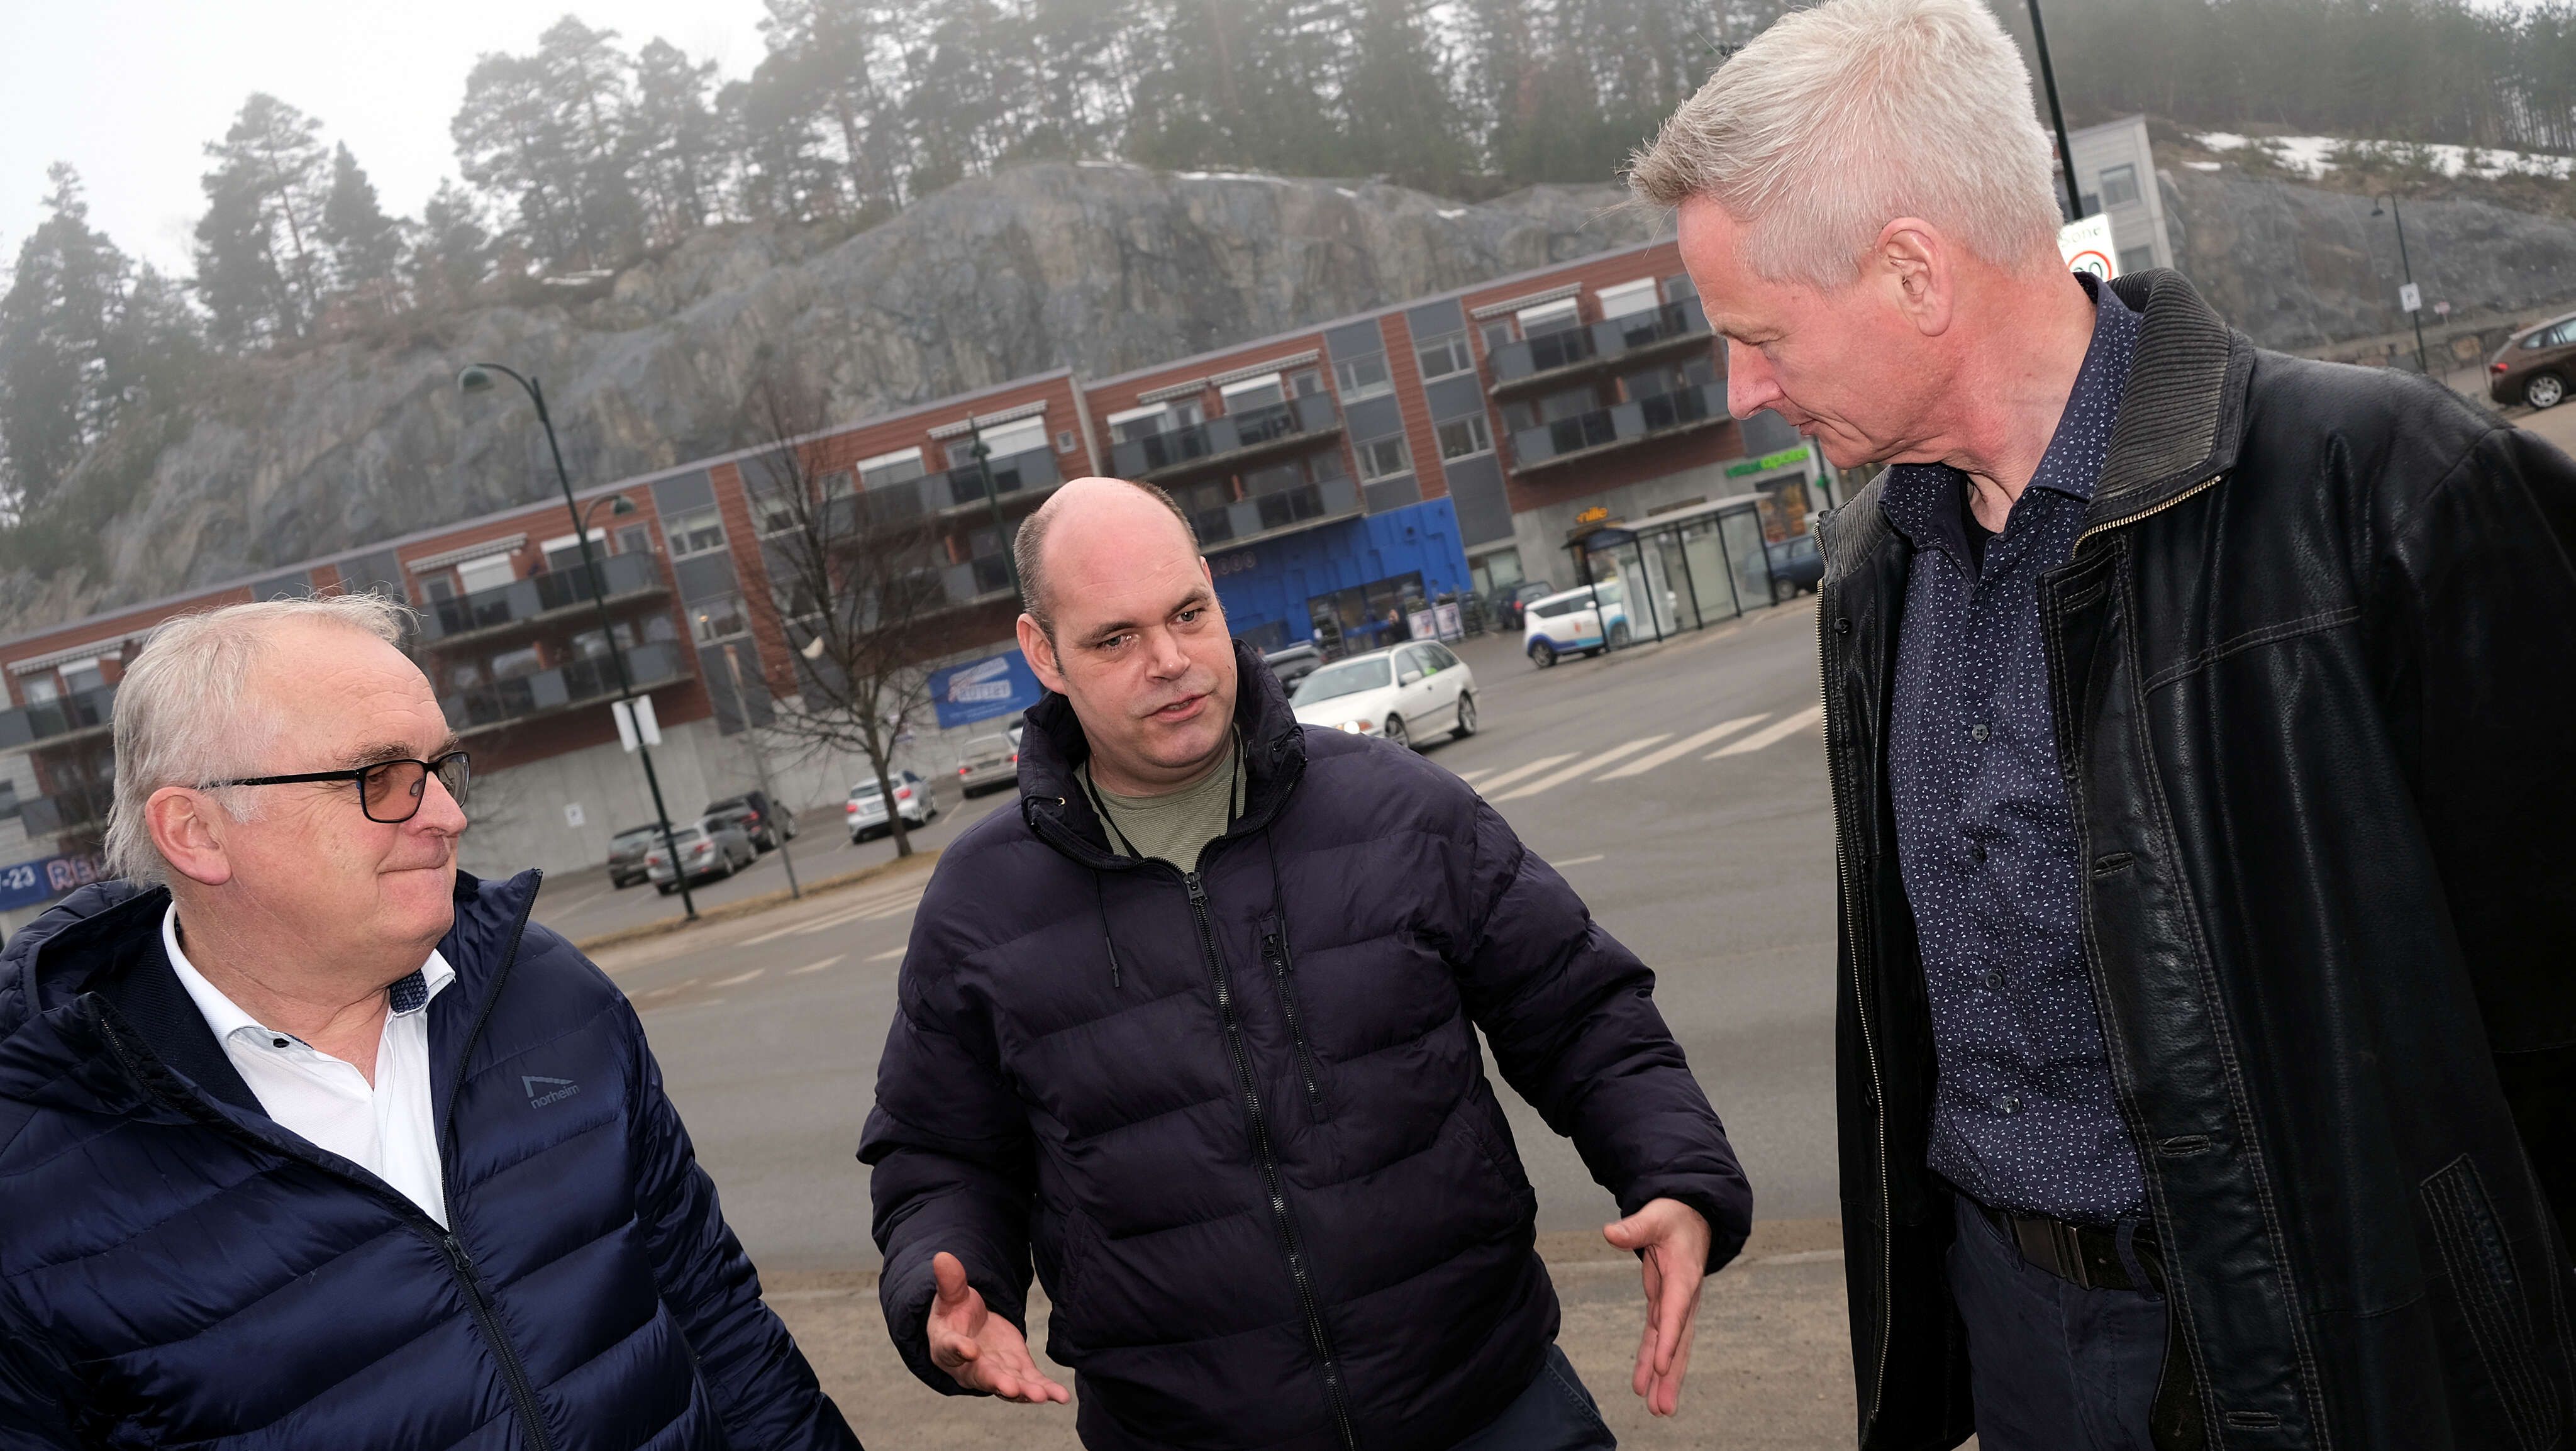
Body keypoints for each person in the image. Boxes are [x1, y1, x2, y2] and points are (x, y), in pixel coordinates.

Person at [1630, 1, 2576, 1448]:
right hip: (2020, 1343)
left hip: (2347, 1343)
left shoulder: (2379, 486)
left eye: (1756, 337)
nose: (1741, 389)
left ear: (1911, 274)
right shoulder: (1871, 569)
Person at [860, 476, 1751, 1450]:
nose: (1170, 661)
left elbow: (1583, 1015)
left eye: (1187, 614)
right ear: (1044, 655)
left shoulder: (1400, 809)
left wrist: (1675, 1178)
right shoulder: (980, 905)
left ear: (1213, 590)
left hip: (1490, 1404)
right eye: (1116, 639)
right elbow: (937, 1150)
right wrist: (950, 1284)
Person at [0, 595, 861, 1451]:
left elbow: (725, 1335)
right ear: (197, 832)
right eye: (378, 779)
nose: (447, 815)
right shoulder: (31, 1181)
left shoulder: (551, 994)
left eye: (441, 769)